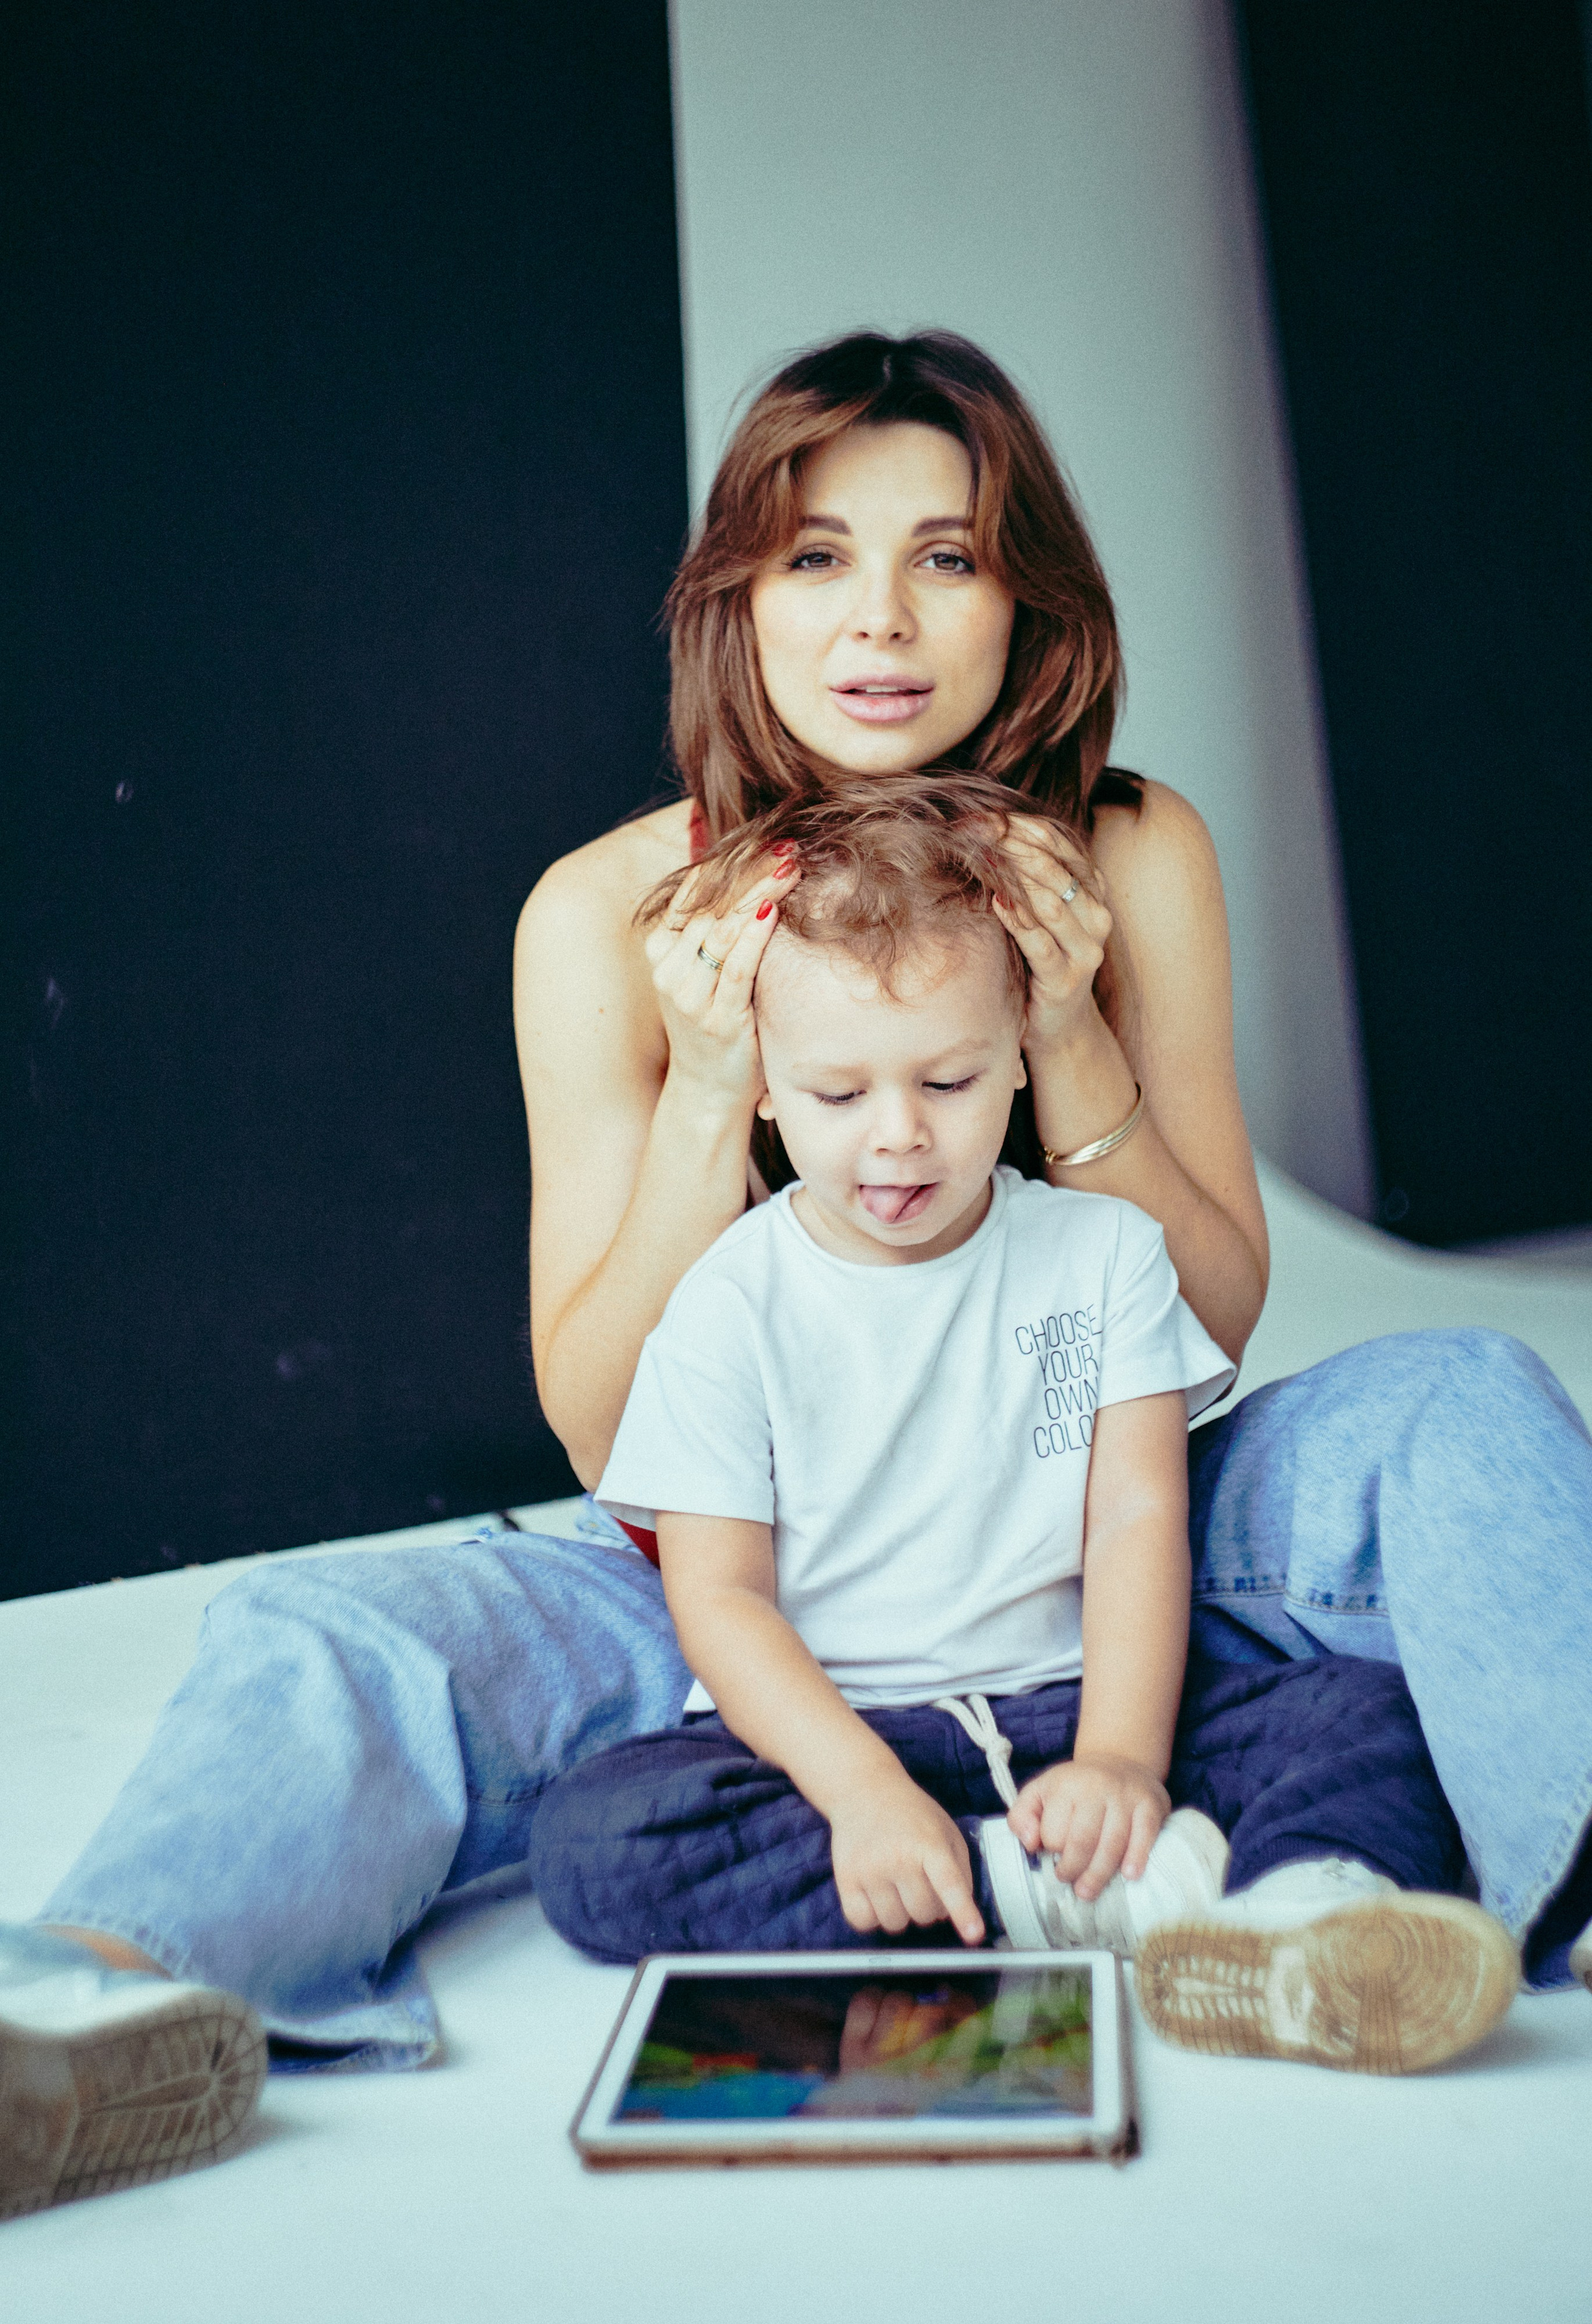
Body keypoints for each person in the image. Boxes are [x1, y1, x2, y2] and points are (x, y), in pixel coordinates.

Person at [4, 330, 1590, 2215]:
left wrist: (1067, 1031)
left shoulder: (1132, 844)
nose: (882, 621)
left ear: (1031, 601)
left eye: (949, 554)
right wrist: (706, 1094)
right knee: (333, 1634)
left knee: (1467, 1399)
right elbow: (608, 1431)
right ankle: (98, 2008)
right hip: (744, 1568)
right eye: (816, 556)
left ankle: (1503, 1903)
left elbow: (1211, 1316)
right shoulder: (608, 910)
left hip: (1086, 1508)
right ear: (735, 600)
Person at [527, 784, 1519, 2076]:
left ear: (1016, 1058)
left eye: (945, 1079)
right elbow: (719, 1600)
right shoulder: (723, 1301)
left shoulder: (1100, 1255)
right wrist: (864, 1797)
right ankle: (1044, 1896)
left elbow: (1134, 1519)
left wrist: (1118, 1753)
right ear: (765, 1094)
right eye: (836, 1095)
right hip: (849, 1729)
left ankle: (1300, 1925)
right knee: (602, 1842)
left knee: (1359, 1714)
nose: (897, 1135)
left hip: (1070, 1701)